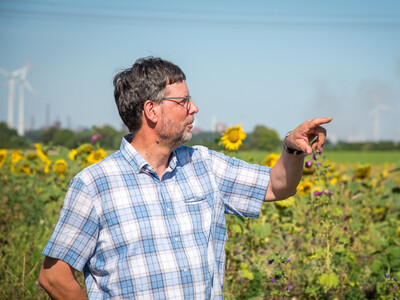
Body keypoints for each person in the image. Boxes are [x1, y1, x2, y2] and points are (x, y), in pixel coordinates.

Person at [38, 57, 332, 299]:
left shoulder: (205, 164)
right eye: (184, 101)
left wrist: (292, 149)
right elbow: (54, 276)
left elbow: (277, 186)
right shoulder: (95, 184)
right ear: (151, 111)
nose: (194, 108)